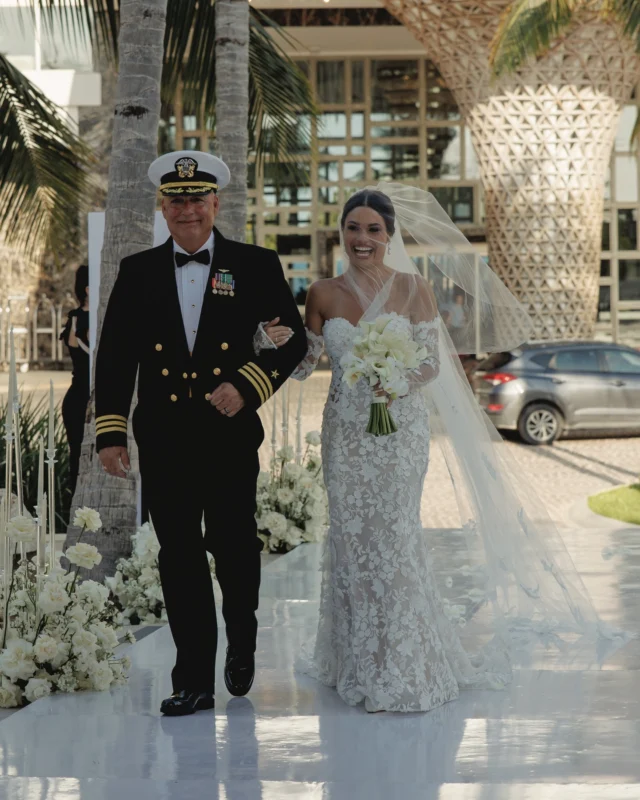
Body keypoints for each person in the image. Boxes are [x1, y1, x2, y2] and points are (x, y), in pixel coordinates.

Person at [262, 183, 627, 713]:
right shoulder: (322, 293)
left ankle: (404, 660)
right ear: (341, 232)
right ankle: (356, 657)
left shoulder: (414, 289)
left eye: (373, 229)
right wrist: (266, 343)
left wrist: (397, 381)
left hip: (400, 433)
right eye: (353, 228)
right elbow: (304, 366)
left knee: (394, 538)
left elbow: (432, 362)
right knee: (352, 539)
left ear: (390, 235)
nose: (362, 238)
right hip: (347, 436)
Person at [95, 150, 306, 716]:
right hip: (164, 437)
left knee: (234, 546)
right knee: (179, 555)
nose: (186, 209)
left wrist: (248, 385)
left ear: (215, 203)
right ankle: (192, 678)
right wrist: (110, 431)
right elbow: (114, 356)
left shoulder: (254, 263)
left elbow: (293, 339)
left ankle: (242, 637)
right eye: (175, 200)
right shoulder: (137, 270)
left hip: (228, 433)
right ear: (162, 207)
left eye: (196, 199)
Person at [60, 264, 90, 500]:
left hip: (80, 398)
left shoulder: (76, 317)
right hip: (81, 399)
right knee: (78, 457)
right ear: (88, 289)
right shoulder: (81, 320)